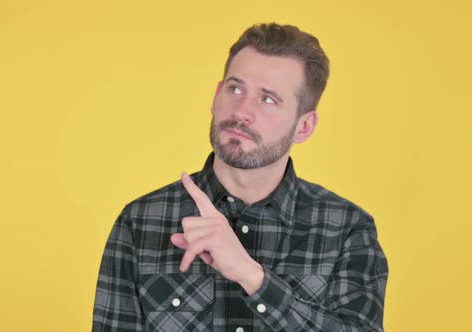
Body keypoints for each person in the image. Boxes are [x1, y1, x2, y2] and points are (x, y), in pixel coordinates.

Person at [92, 23, 388, 332]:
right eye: (235, 89)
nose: (242, 111)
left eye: (268, 99)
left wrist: (253, 277)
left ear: (304, 127)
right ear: (216, 96)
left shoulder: (348, 229)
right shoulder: (140, 220)